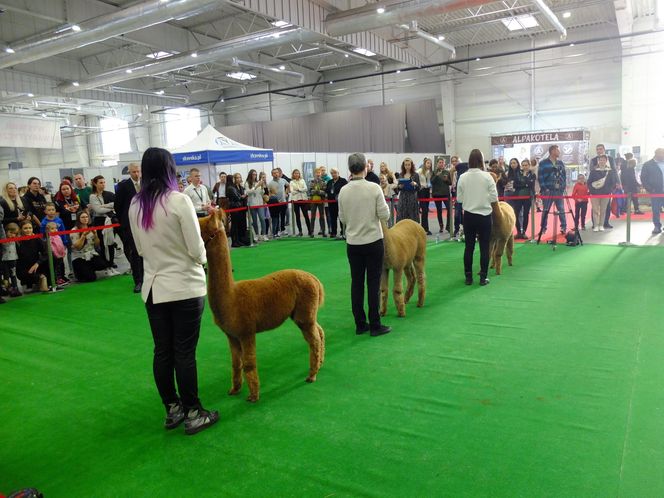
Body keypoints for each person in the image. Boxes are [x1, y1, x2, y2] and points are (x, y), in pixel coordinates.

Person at [129, 147, 219, 435]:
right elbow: (196, 250)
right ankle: (194, 412)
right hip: (184, 287)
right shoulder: (179, 201)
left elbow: (140, 250)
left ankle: (173, 408)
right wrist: (203, 259)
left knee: (163, 351)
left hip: (154, 288)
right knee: (184, 352)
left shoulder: (136, 205)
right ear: (169, 169)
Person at [338, 152, 391, 337]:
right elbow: (385, 215)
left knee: (357, 283)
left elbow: (342, 218)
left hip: (353, 243)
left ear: (350, 169)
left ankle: (360, 324)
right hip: (373, 241)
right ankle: (375, 324)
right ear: (365, 167)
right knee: (374, 282)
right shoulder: (374, 188)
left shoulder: (343, 191)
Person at [457, 149, 498, 286]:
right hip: (485, 216)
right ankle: (483, 277)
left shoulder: (462, 177)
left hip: (468, 216)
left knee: (469, 247)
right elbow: (494, 197)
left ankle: (468, 277)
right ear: (482, 160)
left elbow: (459, 199)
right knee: (484, 247)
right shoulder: (487, 177)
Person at [115, 163, 144, 293]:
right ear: (129, 172)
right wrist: (124, 223)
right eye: (133, 172)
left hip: (146, 223)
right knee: (135, 253)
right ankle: (138, 281)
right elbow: (118, 206)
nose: (136, 174)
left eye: (138, 171)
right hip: (130, 225)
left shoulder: (147, 183)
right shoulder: (123, 186)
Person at [70, 211, 116, 281]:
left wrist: (95, 235)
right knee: (91, 278)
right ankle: (81, 272)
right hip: (79, 256)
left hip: (91, 253)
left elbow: (97, 245)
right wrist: (83, 236)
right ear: (78, 219)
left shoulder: (91, 228)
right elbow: (78, 247)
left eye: (86, 217)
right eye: (82, 217)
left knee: (103, 264)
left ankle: (88, 268)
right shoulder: (74, 230)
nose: (85, 219)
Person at [538, 145, 567, 236]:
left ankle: (563, 227)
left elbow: (564, 176)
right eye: (557, 150)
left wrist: (562, 187)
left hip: (559, 191)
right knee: (546, 210)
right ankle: (543, 228)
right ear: (552, 151)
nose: (559, 151)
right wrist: (544, 188)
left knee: (561, 209)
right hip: (547, 191)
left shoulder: (560, 163)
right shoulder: (543, 163)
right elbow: (540, 177)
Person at [88, 175, 117, 268]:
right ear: (95, 184)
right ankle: (105, 262)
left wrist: (105, 205)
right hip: (99, 221)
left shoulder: (108, 194)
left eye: (104, 182)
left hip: (109, 220)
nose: (103, 184)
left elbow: (115, 204)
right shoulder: (93, 196)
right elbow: (98, 210)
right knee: (102, 243)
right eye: (100, 182)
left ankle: (111, 261)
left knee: (111, 242)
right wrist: (110, 207)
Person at [16, 220, 50, 292]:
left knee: (50, 259)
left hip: (36, 265)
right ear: (21, 229)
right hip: (23, 268)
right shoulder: (17, 241)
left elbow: (45, 253)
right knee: (28, 290)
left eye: (30, 228)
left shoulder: (37, 239)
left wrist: (37, 263)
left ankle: (42, 278)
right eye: (25, 228)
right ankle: (36, 280)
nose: (28, 230)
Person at [588, 155, 618, 232]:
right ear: (598, 161)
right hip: (595, 194)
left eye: (603, 160)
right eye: (600, 160)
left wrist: (609, 190)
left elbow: (613, 182)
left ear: (606, 161)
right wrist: (592, 190)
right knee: (595, 210)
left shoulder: (610, 171)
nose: (602, 161)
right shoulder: (593, 171)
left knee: (603, 210)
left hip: (606, 194)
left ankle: (601, 225)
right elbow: (589, 182)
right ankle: (595, 225)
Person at [508, 158, 536, 239]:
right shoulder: (517, 174)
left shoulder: (532, 175)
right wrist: (525, 183)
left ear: (529, 165)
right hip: (518, 197)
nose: (524, 167)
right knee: (516, 214)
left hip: (528, 198)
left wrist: (524, 179)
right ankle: (519, 232)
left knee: (526, 214)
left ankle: (524, 232)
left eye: (526, 165)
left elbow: (531, 185)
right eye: (523, 165)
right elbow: (515, 185)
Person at [639, 148, 664, 234]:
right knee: (656, 210)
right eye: (662, 154)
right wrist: (650, 189)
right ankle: (657, 226)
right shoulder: (648, 164)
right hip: (655, 192)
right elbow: (643, 178)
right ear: (656, 154)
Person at [227, 173, 251, 247]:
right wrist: (243, 196)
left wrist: (243, 196)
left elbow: (242, 197)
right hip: (235, 209)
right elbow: (238, 197)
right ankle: (234, 241)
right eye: (237, 178)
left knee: (242, 225)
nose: (239, 179)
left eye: (240, 177)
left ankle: (241, 240)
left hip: (242, 208)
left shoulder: (241, 187)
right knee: (235, 226)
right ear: (234, 179)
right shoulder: (231, 188)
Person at [245, 169, 268, 241]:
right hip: (252, 204)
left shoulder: (258, 182)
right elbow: (248, 192)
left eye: (255, 174)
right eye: (253, 174)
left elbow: (262, 193)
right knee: (254, 220)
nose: (254, 176)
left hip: (260, 203)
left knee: (262, 218)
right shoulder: (247, 183)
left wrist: (262, 187)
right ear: (250, 175)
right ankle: (257, 234)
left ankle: (264, 234)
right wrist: (256, 186)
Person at [431, 158, 453, 233]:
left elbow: (450, 183)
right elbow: (432, 182)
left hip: (446, 194)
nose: (441, 164)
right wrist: (436, 176)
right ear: (437, 163)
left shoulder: (447, 172)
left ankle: (448, 226)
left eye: (442, 162)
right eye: (440, 162)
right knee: (439, 211)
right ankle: (441, 226)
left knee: (449, 209)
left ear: (444, 164)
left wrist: (447, 179)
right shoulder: (434, 172)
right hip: (437, 194)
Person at [395, 157, 420, 222]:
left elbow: (418, 188)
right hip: (403, 198)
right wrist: (399, 186)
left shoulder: (415, 175)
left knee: (412, 217)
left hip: (412, 198)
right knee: (402, 217)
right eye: (406, 165)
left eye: (409, 164)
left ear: (411, 165)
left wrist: (415, 184)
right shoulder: (401, 174)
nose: (407, 166)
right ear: (403, 166)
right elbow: (398, 188)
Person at [325, 168, 348, 239]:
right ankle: (333, 232)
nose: (333, 174)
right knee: (332, 218)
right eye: (332, 173)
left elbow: (346, 190)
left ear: (338, 173)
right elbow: (327, 191)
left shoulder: (343, 181)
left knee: (341, 218)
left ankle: (343, 232)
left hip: (340, 203)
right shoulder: (329, 182)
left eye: (335, 173)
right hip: (331, 203)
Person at [289, 169, 312, 237]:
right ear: (293, 174)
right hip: (295, 200)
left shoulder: (302, 180)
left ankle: (310, 231)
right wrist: (300, 190)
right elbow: (292, 191)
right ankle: (300, 231)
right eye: (295, 173)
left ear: (299, 174)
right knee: (297, 216)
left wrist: (299, 189)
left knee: (306, 216)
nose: (296, 174)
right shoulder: (291, 182)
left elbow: (306, 188)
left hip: (303, 199)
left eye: (298, 173)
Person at [1, 222, 21, 298]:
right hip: (5, 260)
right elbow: (2, 231)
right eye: (10, 232)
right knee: (6, 276)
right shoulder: (4, 239)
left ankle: (15, 288)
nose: (12, 235)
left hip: (13, 260)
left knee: (13, 274)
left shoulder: (15, 239)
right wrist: (2, 226)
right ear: (6, 231)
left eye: (14, 233)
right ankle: (7, 288)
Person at [268, 168, 289, 236]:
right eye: (274, 173)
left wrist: (286, 193)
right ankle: (277, 231)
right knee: (276, 217)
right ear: (272, 174)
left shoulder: (283, 180)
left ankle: (283, 229)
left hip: (283, 201)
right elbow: (268, 193)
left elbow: (288, 185)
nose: (276, 174)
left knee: (283, 216)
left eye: (277, 172)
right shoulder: (270, 183)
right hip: (275, 203)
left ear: (279, 173)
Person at [309, 167, 327, 237]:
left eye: (319, 173)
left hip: (321, 200)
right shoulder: (312, 182)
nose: (318, 174)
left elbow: (325, 192)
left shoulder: (323, 182)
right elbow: (310, 191)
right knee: (312, 216)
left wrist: (318, 191)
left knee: (322, 216)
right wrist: (315, 191)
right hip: (313, 201)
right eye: (316, 173)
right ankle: (312, 232)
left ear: (321, 173)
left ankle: (323, 231)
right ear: (314, 174)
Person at [417, 158, 434, 235]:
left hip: (427, 191)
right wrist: (419, 186)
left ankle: (425, 228)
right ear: (424, 163)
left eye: (430, 163)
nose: (429, 165)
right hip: (421, 191)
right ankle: (424, 229)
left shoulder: (430, 172)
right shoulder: (419, 171)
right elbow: (414, 178)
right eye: (427, 163)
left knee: (426, 210)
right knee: (424, 210)